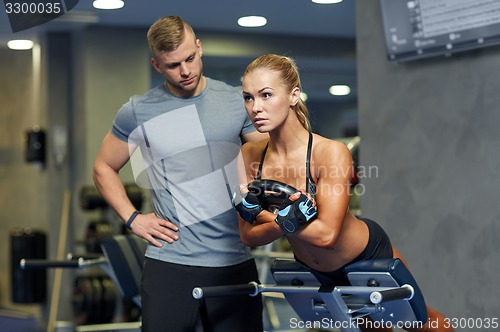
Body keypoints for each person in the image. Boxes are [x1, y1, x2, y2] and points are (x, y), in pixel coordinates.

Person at [235, 53, 454, 332]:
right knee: (372, 330)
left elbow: (326, 235)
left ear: (294, 95)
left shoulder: (329, 152)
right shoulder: (250, 154)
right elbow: (247, 235)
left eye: (266, 95)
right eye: (248, 97)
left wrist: (267, 218)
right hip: (316, 270)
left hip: (365, 255)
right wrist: (285, 219)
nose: (256, 107)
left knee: (418, 325)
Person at [93, 16, 266, 332]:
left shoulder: (236, 101)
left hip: (234, 262)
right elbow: (103, 167)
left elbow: (268, 161)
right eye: (173, 65)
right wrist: (133, 218)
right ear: (157, 65)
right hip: (170, 264)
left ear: (199, 48)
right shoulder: (138, 110)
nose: (185, 71)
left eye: (190, 58)